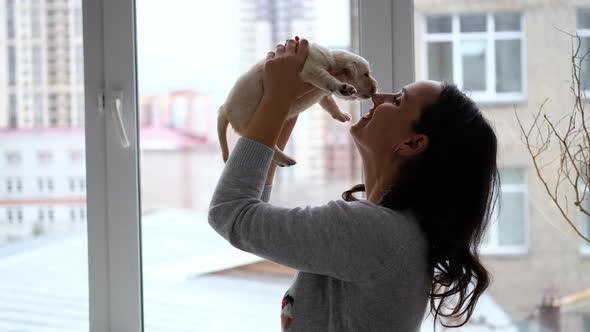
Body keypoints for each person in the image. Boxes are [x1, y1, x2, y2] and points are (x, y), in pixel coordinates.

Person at [208, 37, 500, 331]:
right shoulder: (393, 233)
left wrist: (276, 99)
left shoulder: (371, 233)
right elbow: (251, 212)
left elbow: (230, 213)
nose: (377, 96)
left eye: (398, 100)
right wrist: (285, 105)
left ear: (412, 143)